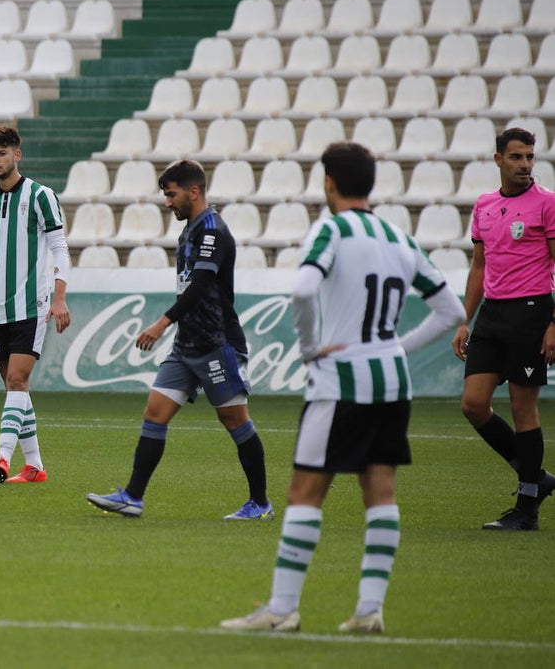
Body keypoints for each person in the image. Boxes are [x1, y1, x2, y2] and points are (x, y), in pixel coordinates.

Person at [221, 141, 465, 634]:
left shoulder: (332, 229)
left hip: (340, 383)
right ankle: (369, 608)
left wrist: (311, 347)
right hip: (393, 385)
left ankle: (282, 608)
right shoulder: (398, 236)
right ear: (371, 183)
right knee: (381, 493)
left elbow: (305, 289)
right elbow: (453, 313)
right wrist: (397, 347)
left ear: (328, 181)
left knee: (305, 492)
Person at [86, 159, 273, 521]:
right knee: (154, 414)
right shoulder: (189, 230)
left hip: (217, 344)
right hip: (187, 345)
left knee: (235, 421)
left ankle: (260, 503)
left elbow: (202, 287)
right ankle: (132, 497)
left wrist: (161, 323)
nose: (167, 203)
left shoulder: (212, 231)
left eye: (171, 195)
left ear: (194, 191)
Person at [0, 125, 71, 484]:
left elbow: (59, 248)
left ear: (17, 155)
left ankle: (3, 458)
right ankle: (34, 466)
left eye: (2, 153)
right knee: (14, 387)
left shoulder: (40, 196)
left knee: (18, 380)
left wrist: (60, 296)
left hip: (32, 305)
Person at [450, 127, 555, 531]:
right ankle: (537, 478)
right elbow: (479, 266)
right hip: (492, 315)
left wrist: (553, 323)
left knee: (523, 408)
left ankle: (526, 508)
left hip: (531, 312)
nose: (525, 165)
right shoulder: (485, 206)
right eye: (516, 157)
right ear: (498, 160)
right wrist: (465, 318)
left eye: (530, 157)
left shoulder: (546, 204)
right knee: (473, 405)